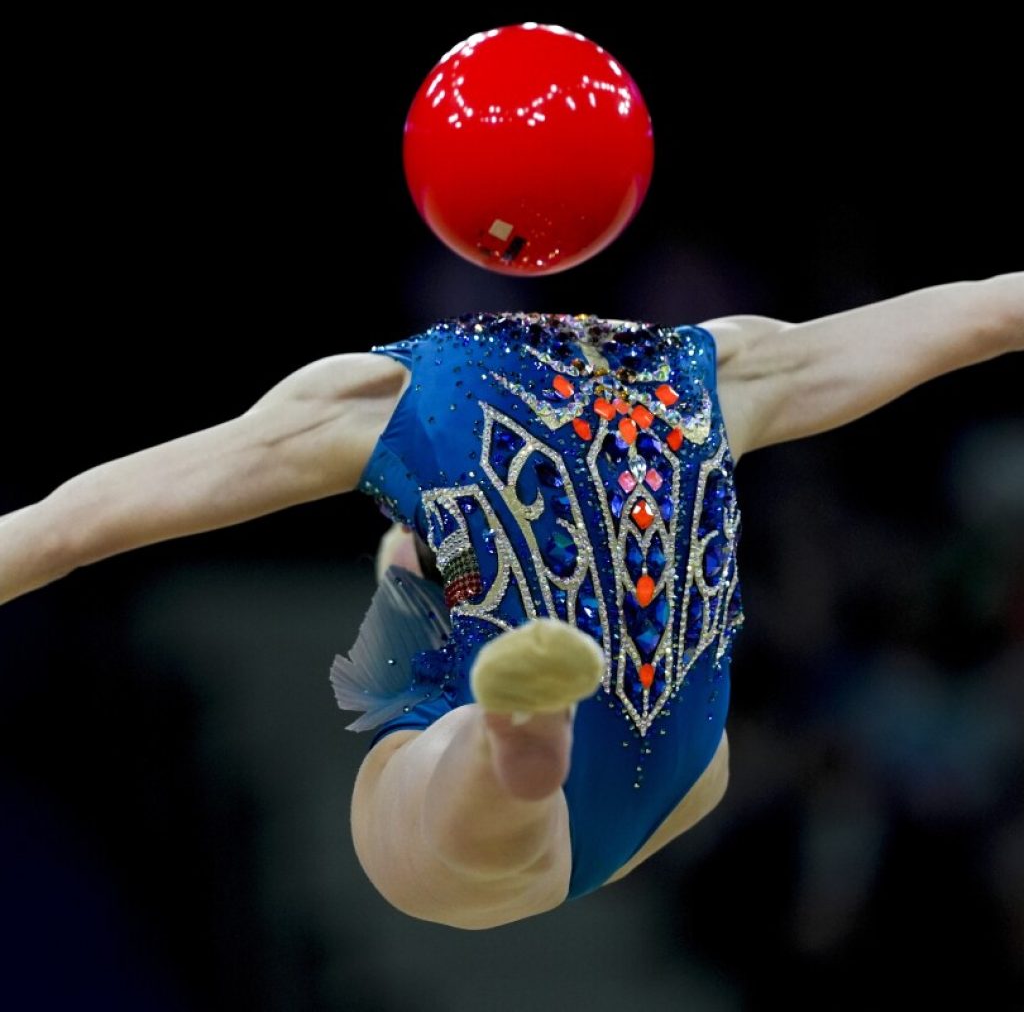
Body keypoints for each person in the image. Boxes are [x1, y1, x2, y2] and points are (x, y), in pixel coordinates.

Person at [1, 277, 1020, 931]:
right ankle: (512, 734)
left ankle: (511, 740)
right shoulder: (717, 365)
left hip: (497, 764)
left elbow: (66, 525)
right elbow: (981, 312)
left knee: (438, 809)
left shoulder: (385, 395)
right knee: (438, 689)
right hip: (682, 759)